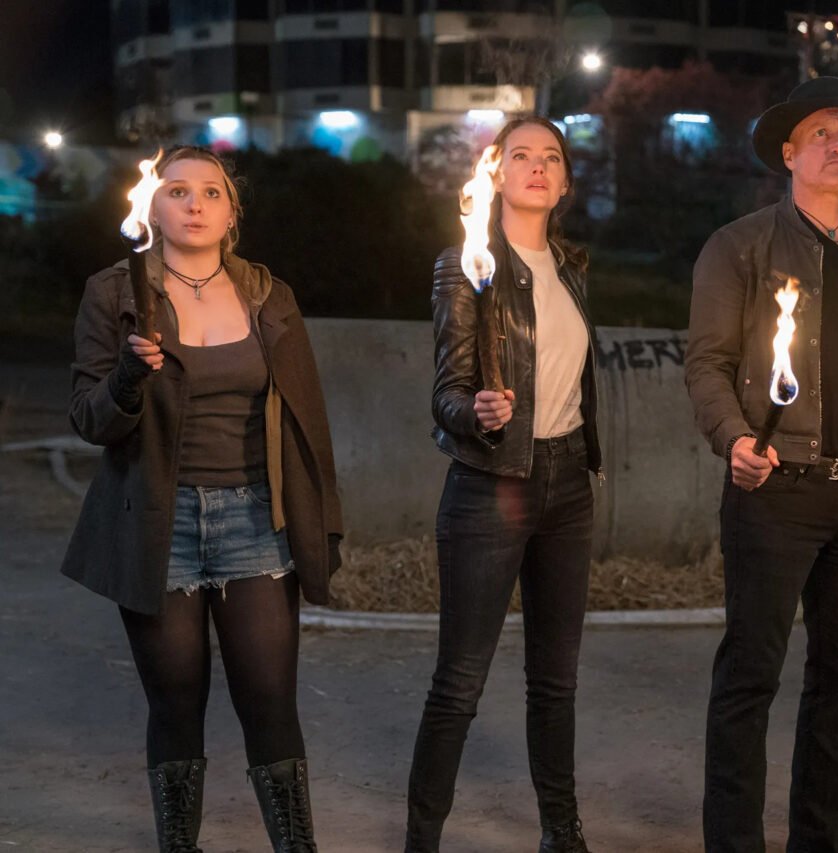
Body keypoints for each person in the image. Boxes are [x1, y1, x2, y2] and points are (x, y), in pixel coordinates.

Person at [62, 145, 343, 853]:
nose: (194, 204)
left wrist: (324, 524)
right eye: (177, 191)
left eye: (212, 192)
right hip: (159, 522)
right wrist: (127, 377)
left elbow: (309, 422)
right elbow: (90, 419)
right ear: (151, 209)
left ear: (232, 212)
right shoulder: (114, 293)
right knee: (175, 700)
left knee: (269, 699)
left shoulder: (268, 295)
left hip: (255, 518)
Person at [685, 76, 838, 853]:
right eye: (823, 133)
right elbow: (707, 363)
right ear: (789, 154)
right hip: (776, 492)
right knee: (750, 676)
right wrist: (735, 439)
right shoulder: (740, 246)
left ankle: (822, 841)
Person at [404, 116, 603, 853]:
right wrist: (479, 413)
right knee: (459, 681)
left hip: (568, 483)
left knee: (556, 681)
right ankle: (422, 839)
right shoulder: (465, 263)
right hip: (490, 484)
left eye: (552, 156)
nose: (538, 166)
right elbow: (446, 394)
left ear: (566, 181)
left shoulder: (571, 266)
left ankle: (562, 831)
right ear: (497, 171)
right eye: (521, 155)